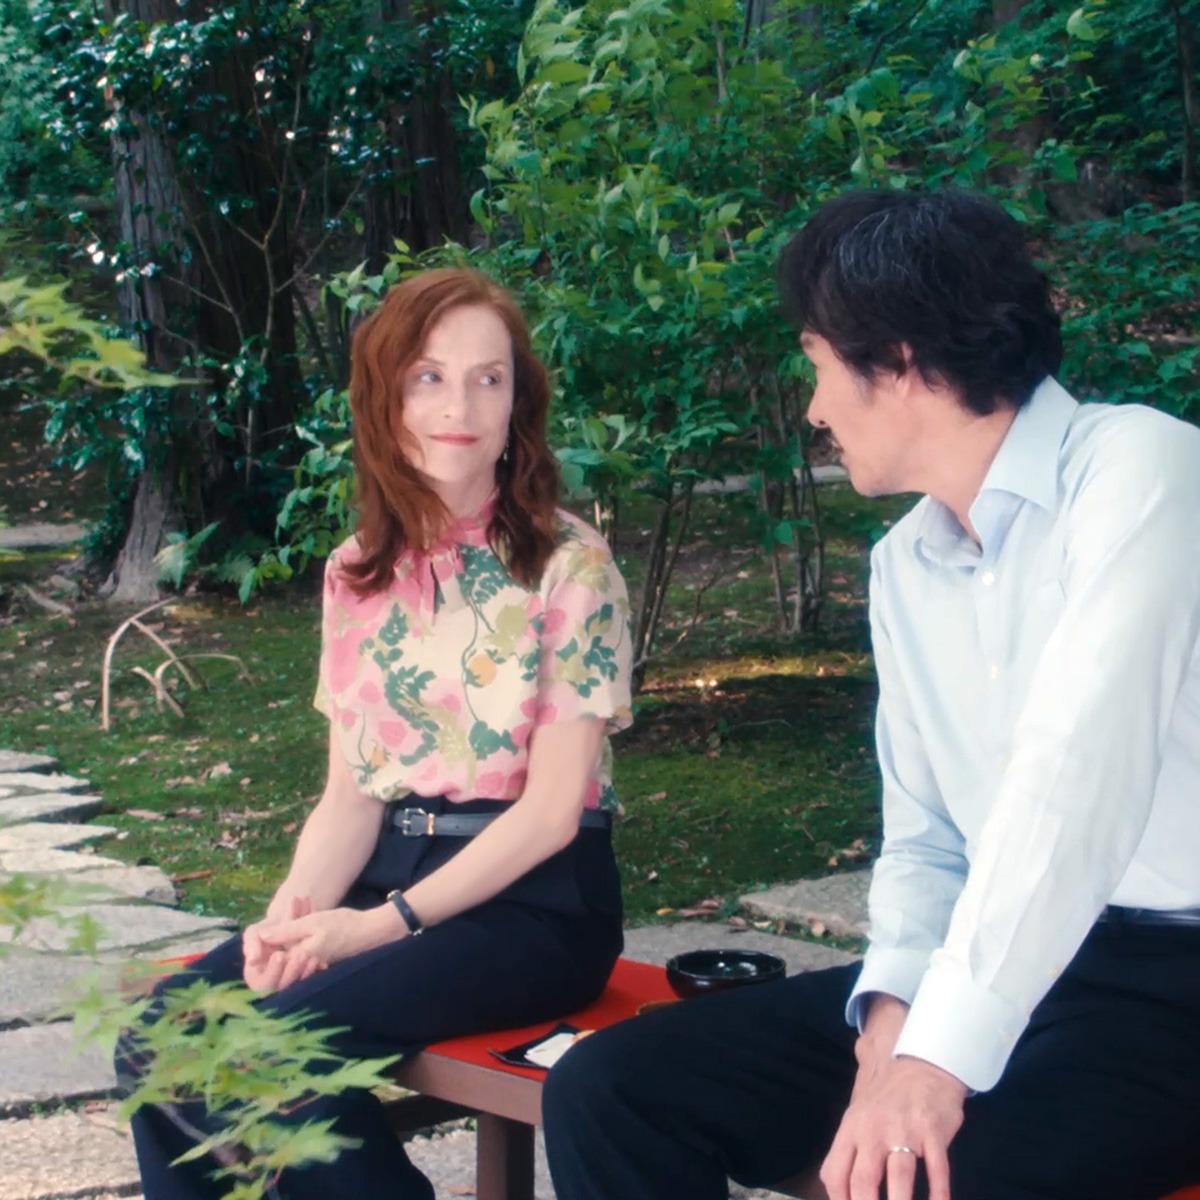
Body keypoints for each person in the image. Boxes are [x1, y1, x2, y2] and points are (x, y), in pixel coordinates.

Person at [542, 188, 1200, 1200]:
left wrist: (940, 1058)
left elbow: (1077, 785)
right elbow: (930, 837)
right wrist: (894, 1010)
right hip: (993, 956)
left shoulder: (1143, 471)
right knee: (613, 1088)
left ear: (895, 363)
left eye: (814, 362)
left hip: (1172, 987)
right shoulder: (905, 566)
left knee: (935, 1182)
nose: (811, 407)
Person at [115, 267, 633, 1200]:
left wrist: (371, 930)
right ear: (385, 395)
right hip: (383, 875)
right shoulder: (356, 572)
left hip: (534, 907)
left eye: (490, 377)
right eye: (429, 376)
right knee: (164, 1042)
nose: (461, 405)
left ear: (519, 399)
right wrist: (293, 914)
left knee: (268, 1057)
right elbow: (351, 793)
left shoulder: (571, 564)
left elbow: (555, 812)